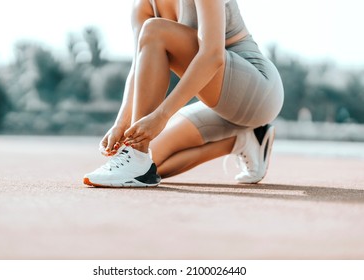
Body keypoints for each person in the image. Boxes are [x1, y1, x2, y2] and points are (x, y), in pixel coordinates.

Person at [83, 0, 284, 187]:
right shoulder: (142, 4)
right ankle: (244, 140)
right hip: (219, 105)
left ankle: (136, 153)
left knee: (155, 30)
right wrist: (121, 123)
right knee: (150, 165)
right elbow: (138, 67)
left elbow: (212, 56)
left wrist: (162, 116)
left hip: (257, 90)